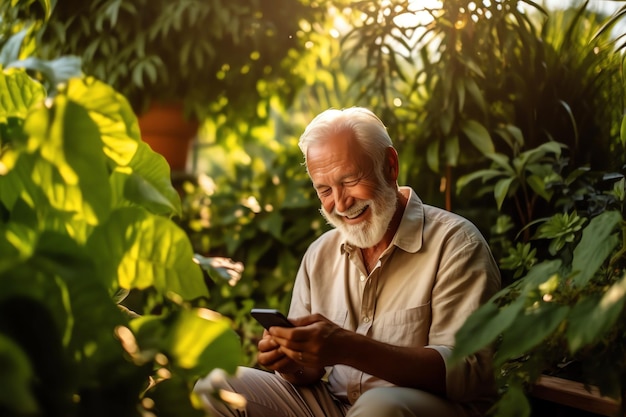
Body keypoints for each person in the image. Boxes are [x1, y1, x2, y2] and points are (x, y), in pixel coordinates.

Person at [194, 107, 501, 417]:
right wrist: (292, 362)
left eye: (350, 180)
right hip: (336, 407)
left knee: (378, 408)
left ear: (390, 166)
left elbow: (468, 372)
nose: (340, 204)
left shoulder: (456, 244)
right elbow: (308, 374)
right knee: (216, 387)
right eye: (324, 190)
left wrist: (348, 347)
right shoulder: (319, 255)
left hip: (421, 410)